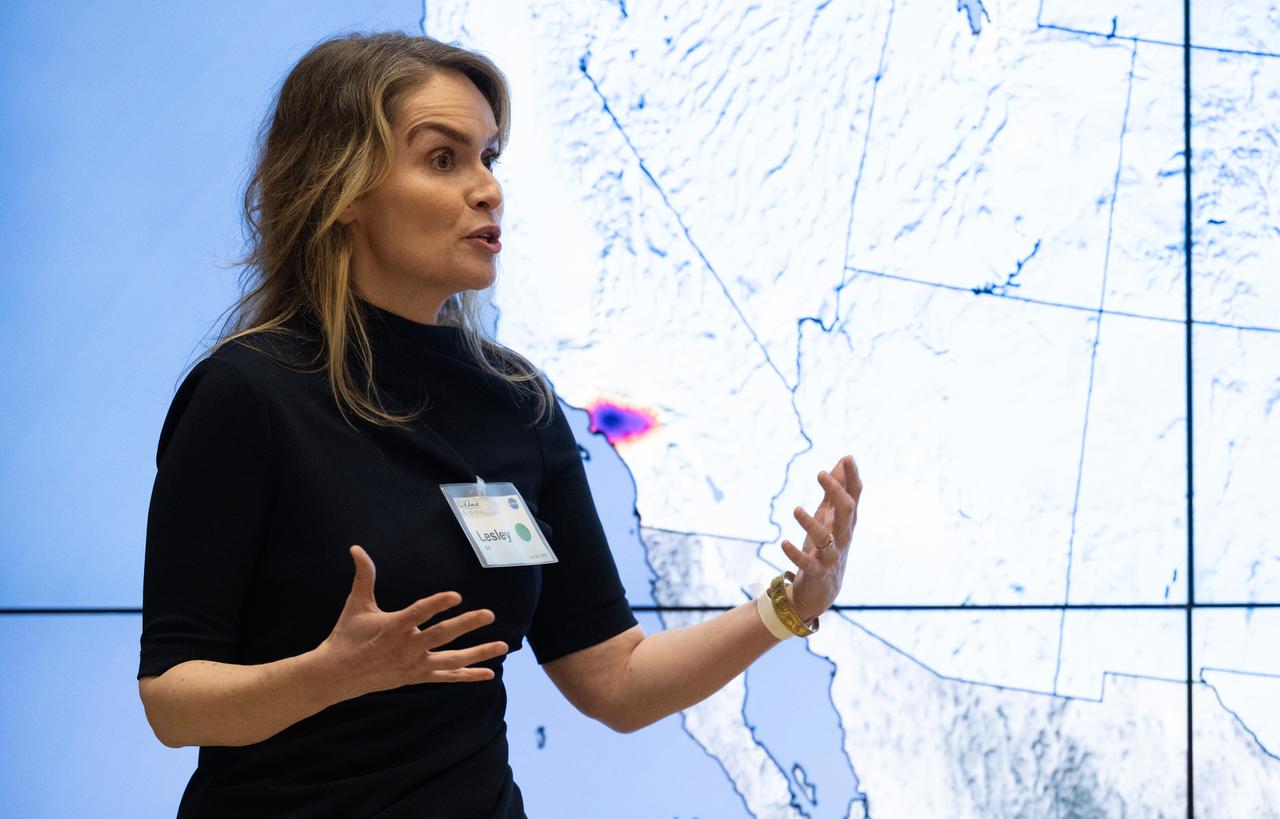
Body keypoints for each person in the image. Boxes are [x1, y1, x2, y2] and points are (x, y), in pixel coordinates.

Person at [137, 30, 862, 818]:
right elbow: (175, 701)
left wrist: (788, 605)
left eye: (489, 157)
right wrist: (330, 673)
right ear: (341, 189)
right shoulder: (247, 392)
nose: (487, 189)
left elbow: (614, 680)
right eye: (443, 159)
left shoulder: (520, 402)